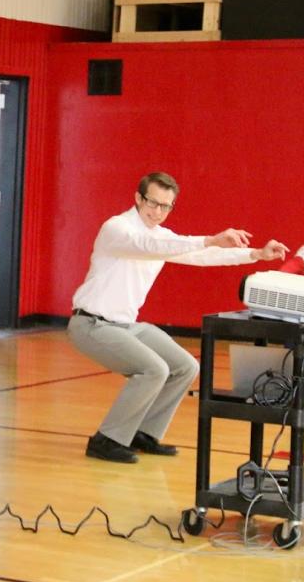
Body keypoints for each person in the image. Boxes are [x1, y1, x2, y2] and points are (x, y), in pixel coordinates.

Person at [69, 172, 289, 464]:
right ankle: (106, 440)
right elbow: (151, 247)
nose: (157, 211)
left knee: (185, 366)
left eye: (166, 206)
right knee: (154, 370)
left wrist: (256, 254)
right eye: (152, 203)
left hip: (127, 325)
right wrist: (209, 238)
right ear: (138, 198)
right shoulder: (117, 229)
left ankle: (143, 433)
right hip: (91, 324)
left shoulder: (162, 236)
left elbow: (203, 256)